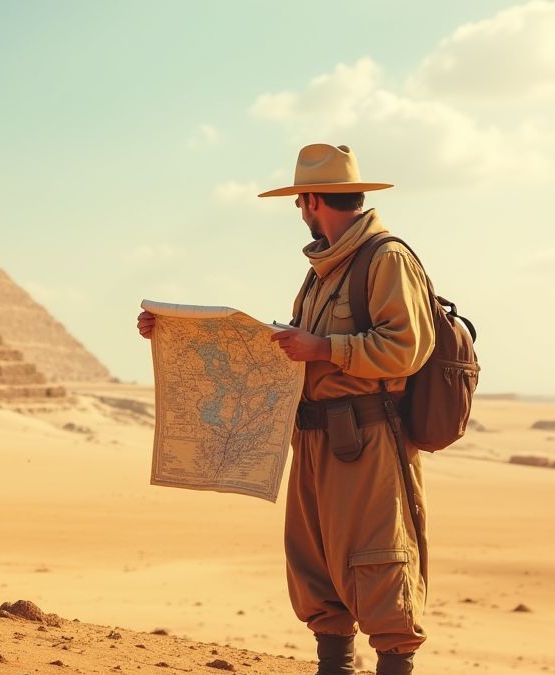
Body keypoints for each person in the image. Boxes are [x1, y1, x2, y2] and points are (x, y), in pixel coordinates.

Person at [136, 144, 434, 675]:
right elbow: (296, 347)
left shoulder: (386, 259)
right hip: (314, 437)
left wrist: (324, 350)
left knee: (377, 560)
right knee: (314, 562)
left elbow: (406, 349)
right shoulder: (324, 268)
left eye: (300, 202)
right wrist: (177, 335)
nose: (300, 212)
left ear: (312, 198)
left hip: (367, 437)